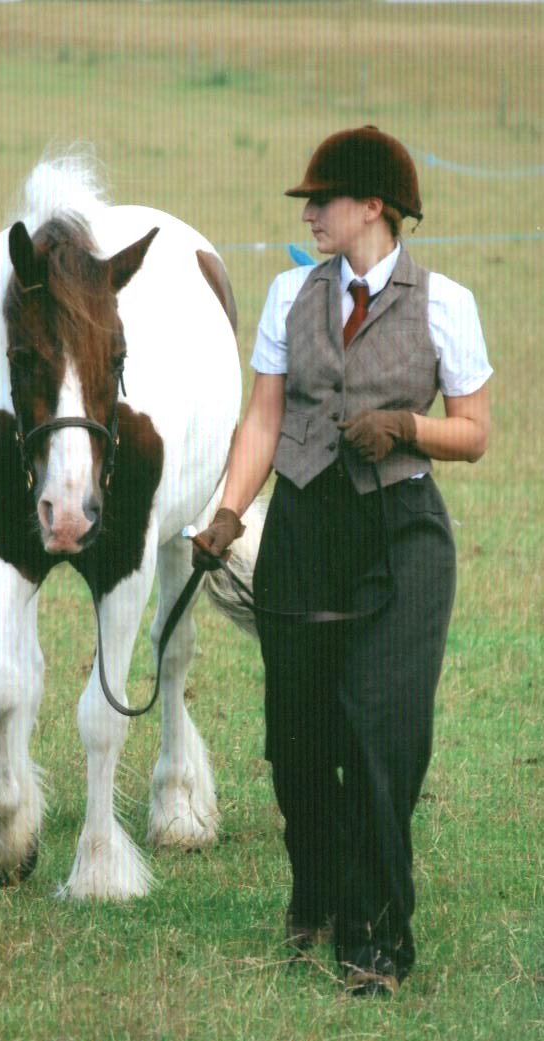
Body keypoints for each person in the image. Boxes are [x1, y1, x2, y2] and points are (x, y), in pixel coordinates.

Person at [194, 126, 492, 997]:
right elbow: (263, 418)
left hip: (399, 536)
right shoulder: (289, 293)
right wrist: (228, 512)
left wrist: (406, 426)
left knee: (377, 735)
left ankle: (376, 936)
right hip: (301, 531)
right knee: (296, 739)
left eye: (321, 201)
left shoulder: (446, 304)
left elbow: (473, 432)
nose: (308, 215)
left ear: (372, 207)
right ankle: (317, 888)